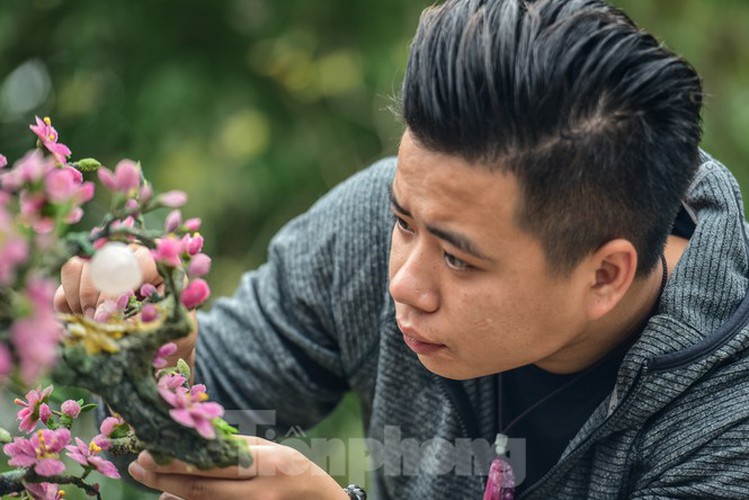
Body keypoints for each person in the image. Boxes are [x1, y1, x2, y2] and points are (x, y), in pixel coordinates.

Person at [55, 0, 749, 498]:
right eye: (402, 221)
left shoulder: (726, 425)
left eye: (458, 260)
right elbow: (198, 410)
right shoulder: (374, 224)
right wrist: (141, 366)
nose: (403, 283)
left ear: (603, 275)